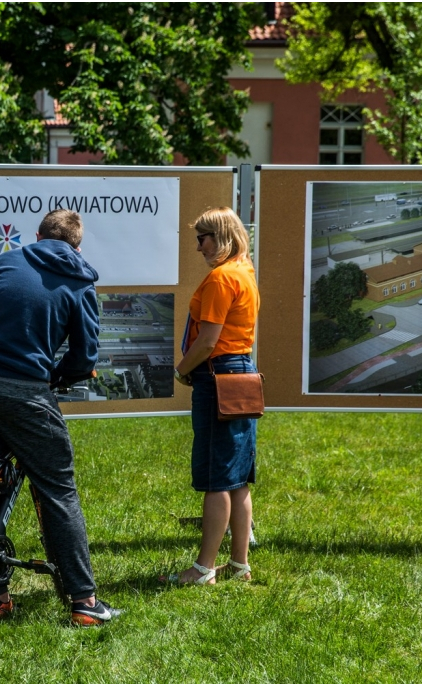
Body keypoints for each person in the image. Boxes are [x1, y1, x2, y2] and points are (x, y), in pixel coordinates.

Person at [0, 208, 121, 626]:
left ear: (38, 234)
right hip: (26, 391)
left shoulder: (6, 260)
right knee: (58, 488)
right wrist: (57, 377)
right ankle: (84, 602)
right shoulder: (81, 282)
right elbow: (84, 357)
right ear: (77, 246)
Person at [170, 207, 260, 585]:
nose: (197, 247)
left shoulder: (222, 278)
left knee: (216, 477)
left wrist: (182, 369)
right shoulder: (245, 271)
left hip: (218, 375)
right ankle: (239, 567)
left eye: (202, 238)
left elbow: (207, 341)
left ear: (221, 237)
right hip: (241, 373)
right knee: (238, 477)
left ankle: (203, 568)